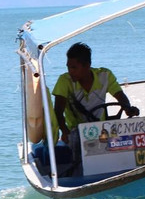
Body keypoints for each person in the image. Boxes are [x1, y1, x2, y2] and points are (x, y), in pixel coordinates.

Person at [51, 42, 139, 175]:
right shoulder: (64, 81)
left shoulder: (105, 75)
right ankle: (80, 174)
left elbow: (120, 96)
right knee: (76, 140)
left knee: (124, 140)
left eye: (74, 67)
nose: (70, 71)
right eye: (68, 67)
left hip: (102, 128)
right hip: (77, 131)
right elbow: (58, 111)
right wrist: (65, 131)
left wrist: (128, 108)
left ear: (87, 66)